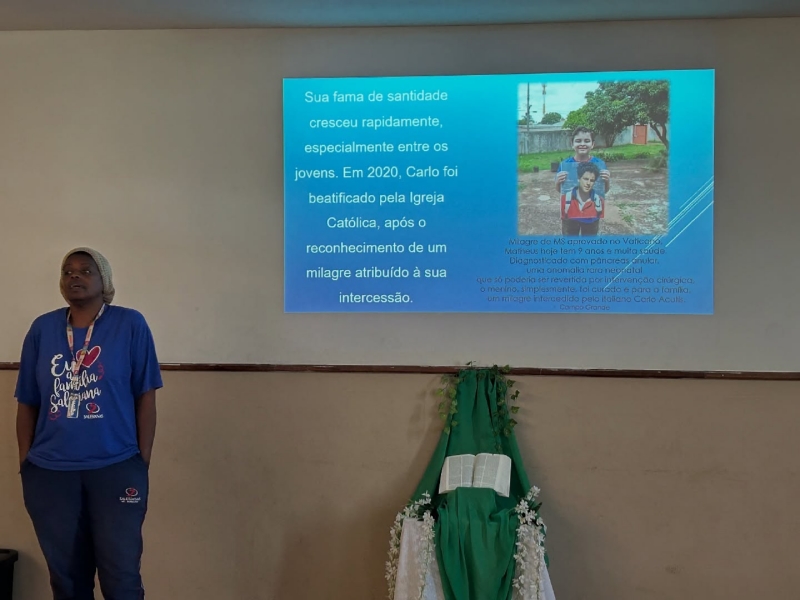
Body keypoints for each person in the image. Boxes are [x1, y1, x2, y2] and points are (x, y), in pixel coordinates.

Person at [15, 247, 162, 600]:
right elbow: (28, 402)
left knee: (121, 578)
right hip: (50, 473)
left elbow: (145, 397)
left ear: (104, 280)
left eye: (85, 270)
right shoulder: (42, 329)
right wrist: (27, 463)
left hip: (116, 468)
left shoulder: (130, 324)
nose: (75, 277)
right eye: (68, 271)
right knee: (67, 581)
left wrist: (139, 462)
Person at [554, 126, 611, 196]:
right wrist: (557, 182)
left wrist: (607, 181)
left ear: (592, 144)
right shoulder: (564, 165)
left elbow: (604, 190)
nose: (582, 144)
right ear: (572, 144)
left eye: (587, 141)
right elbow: (561, 190)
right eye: (578, 141)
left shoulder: (600, 164)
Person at [561, 161, 604, 235]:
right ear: (579, 178)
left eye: (592, 180)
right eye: (585, 179)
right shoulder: (565, 199)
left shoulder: (599, 201)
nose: (588, 183)